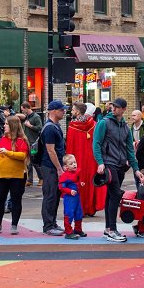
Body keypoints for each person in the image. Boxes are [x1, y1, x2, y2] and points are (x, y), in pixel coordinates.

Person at [92, 98, 143, 243]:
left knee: (110, 196)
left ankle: (108, 229)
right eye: (113, 106)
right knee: (115, 194)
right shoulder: (104, 123)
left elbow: (130, 151)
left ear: (123, 109)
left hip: (120, 165)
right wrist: (100, 162)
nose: (113, 109)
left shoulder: (126, 127)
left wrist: (136, 169)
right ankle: (112, 229)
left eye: (117, 107)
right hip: (109, 163)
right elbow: (96, 143)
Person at [0, 115, 29, 235]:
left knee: (16, 200)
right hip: (1, 175)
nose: (4, 126)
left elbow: (22, 156)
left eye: (6, 124)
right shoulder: (2, 139)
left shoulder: (22, 140)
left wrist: (8, 152)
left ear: (13, 126)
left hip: (17, 175)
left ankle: (14, 225)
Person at [67, 102, 102, 218]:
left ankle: (80, 208)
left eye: (72, 110)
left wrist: (68, 162)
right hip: (91, 159)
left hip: (77, 159)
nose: (71, 111)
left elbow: (70, 146)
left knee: (79, 181)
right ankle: (90, 208)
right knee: (90, 180)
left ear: (77, 112)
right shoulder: (94, 125)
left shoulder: (72, 126)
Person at [39, 100, 68, 236]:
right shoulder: (50, 128)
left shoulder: (55, 126)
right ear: (54, 111)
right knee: (50, 195)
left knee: (55, 195)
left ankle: (52, 222)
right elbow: (50, 150)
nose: (64, 112)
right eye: (62, 110)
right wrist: (59, 168)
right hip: (50, 166)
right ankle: (48, 225)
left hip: (53, 166)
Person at [58, 154, 85, 239]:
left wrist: (81, 184)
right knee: (69, 214)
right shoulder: (65, 176)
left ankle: (78, 229)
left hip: (77, 198)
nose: (74, 164)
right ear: (66, 167)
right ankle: (68, 232)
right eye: (71, 163)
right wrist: (69, 191)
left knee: (79, 213)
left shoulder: (77, 173)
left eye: (75, 162)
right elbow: (61, 186)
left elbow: (76, 183)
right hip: (69, 199)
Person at [19, 102, 43, 186]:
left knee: (35, 161)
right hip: (26, 142)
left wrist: (30, 126)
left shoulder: (36, 117)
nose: (22, 111)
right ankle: (30, 180)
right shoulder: (26, 117)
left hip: (33, 142)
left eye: (22, 109)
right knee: (28, 162)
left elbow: (40, 128)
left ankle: (41, 178)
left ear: (26, 108)